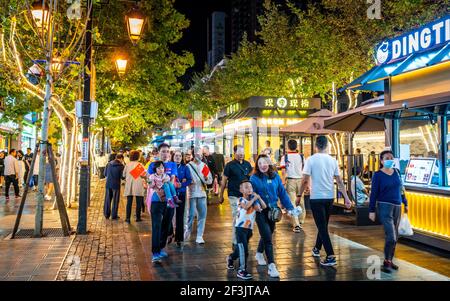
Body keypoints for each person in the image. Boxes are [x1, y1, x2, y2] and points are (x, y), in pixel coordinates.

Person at [296, 136, 352, 267]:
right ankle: (316, 248)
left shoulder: (311, 159)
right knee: (323, 226)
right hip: (329, 197)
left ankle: (331, 255)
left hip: (316, 198)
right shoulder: (333, 160)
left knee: (322, 227)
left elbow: (304, 180)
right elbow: (339, 181)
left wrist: (299, 195)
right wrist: (347, 198)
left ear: (316, 146)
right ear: (327, 146)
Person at [250, 154, 299, 278]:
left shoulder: (276, 177)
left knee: (268, 233)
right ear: (257, 165)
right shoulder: (254, 178)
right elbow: (251, 194)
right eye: (260, 163)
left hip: (273, 211)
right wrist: (256, 204)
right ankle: (271, 265)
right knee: (267, 237)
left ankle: (259, 253)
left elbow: (282, 194)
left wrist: (290, 208)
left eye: (265, 162)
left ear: (269, 163)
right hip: (260, 211)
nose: (262, 165)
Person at [368, 150, 408, 273]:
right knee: (391, 236)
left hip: (397, 206)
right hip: (384, 206)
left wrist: (405, 202)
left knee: (395, 236)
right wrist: (371, 210)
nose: (390, 159)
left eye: (391, 157)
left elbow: (401, 189)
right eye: (387, 158)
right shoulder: (378, 175)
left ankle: (389, 260)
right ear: (381, 161)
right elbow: (373, 193)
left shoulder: (396, 172)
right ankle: (386, 262)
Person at [227, 180, 267, 280]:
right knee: (244, 250)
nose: (249, 189)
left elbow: (263, 207)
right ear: (241, 190)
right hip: (240, 228)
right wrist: (254, 199)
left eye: (250, 187)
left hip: (249, 229)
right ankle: (241, 270)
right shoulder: (240, 199)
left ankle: (231, 258)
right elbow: (245, 207)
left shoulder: (253, 202)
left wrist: (259, 198)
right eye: (246, 187)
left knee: (240, 249)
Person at [147, 143, 178, 263]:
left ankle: (160, 248)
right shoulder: (152, 165)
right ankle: (155, 252)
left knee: (166, 225)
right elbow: (150, 181)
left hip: (168, 201)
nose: (166, 154)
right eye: (163, 151)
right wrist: (158, 192)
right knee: (156, 226)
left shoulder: (172, 164)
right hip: (156, 200)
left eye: (167, 151)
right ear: (158, 152)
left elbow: (172, 179)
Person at [219, 145, 253, 251]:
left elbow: (251, 178)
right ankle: (235, 241)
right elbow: (224, 181)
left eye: (243, 152)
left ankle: (245, 238)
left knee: (246, 217)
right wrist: (220, 195)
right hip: (234, 195)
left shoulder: (248, 164)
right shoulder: (229, 165)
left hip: (246, 196)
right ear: (234, 153)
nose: (241, 155)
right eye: (239, 153)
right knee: (236, 216)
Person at [186, 147, 213, 244]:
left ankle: (199, 236)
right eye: (197, 154)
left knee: (202, 215)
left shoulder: (204, 166)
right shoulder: (188, 166)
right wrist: (188, 182)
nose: (199, 156)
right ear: (193, 154)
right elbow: (185, 179)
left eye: (201, 154)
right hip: (191, 194)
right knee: (191, 215)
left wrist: (206, 178)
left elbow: (210, 180)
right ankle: (187, 232)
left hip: (202, 193)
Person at [280, 139, 305, 232]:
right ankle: (301, 220)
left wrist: (283, 182)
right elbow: (304, 170)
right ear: (296, 146)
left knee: (292, 202)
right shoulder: (301, 156)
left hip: (290, 181)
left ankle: (296, 224)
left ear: (287, 146)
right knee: (301, 201)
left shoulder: (285, 157)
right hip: (301, 181)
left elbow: (283, 172)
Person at [172, 150, 192, 247]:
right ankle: (169, 234)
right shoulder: (169, 167)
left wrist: (182, 184)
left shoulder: (185, 167)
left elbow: (189, 180)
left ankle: (179, 238)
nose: (178, 157)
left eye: (180, 156)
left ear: (182, 157)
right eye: (176, 155)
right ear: (173, 156)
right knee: (170, 215)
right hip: (170, 195)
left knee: (180, 216)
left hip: (181, 194)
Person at [123, 150, 146, 223]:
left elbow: (123, 175)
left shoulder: (127, 165)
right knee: (139, 202)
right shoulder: (140, 165)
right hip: (138, 185)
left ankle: (127, 218)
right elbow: (144, 175)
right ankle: (138, 217)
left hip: (129, 185)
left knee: (129, 203)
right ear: (138, 156)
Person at [104, 153, 124, 220]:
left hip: (108, 184)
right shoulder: (121, 166)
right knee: (115, 200)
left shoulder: (108, 164)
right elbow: (122, 177)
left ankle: (106, 214)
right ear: (121, 158)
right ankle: (114, 215)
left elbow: (105, 174)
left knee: (107, 200)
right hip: (116, 185)